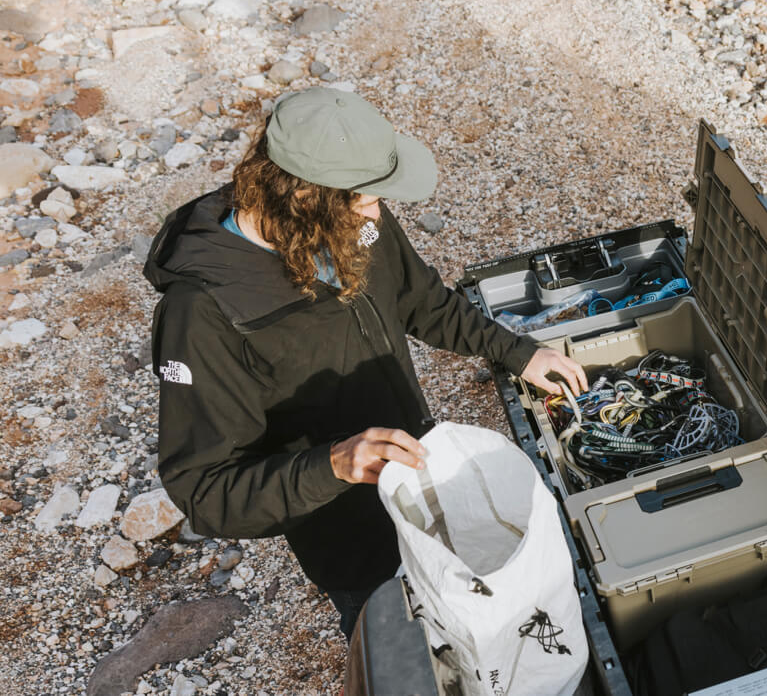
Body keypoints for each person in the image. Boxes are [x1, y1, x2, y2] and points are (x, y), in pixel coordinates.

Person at [143, 87, 587, 638]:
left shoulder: (348, 218)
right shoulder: (203, 313)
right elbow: (205, 491)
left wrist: (518, 352)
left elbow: (421, 301)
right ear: (305, 197)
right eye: (365, 198)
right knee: (401, 651)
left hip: (422, 489)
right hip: (351, 545)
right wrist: (330, 463)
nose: (377, 211)